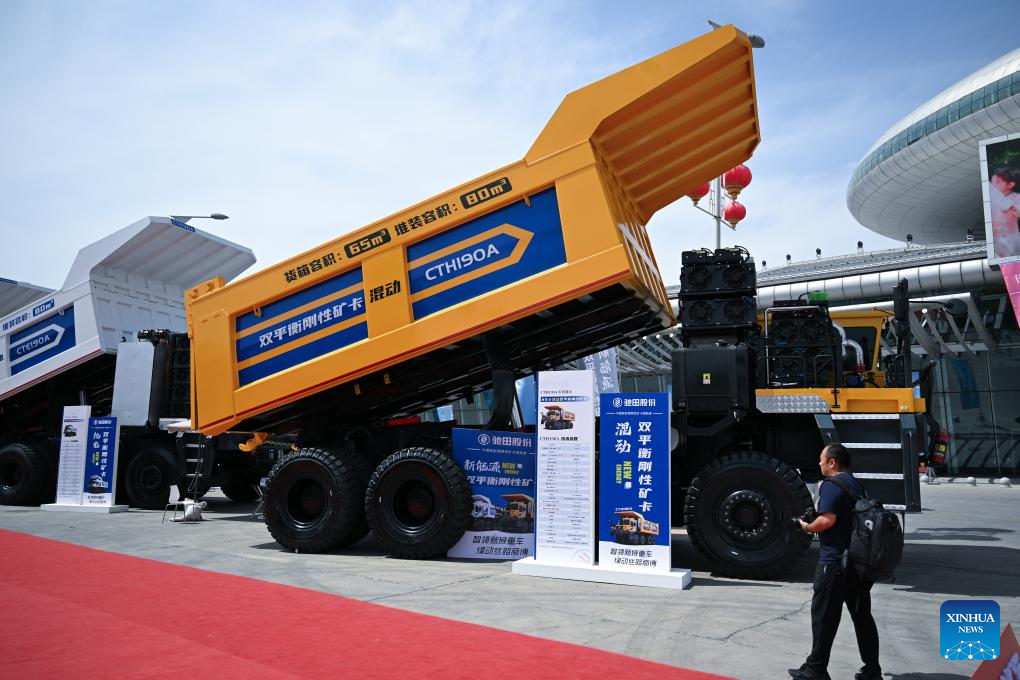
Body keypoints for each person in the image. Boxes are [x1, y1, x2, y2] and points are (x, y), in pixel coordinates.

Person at [788, 443, 881, 680]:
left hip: (835, 563)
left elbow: (827, 520)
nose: (819, 463)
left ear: (832, 462)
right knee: (862, 618)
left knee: (823, 617)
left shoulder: (831, 485)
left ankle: (816, 669)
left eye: (821, 459)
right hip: (858, 564)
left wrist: (807, 526)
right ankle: (872, 670)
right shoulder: (855, 484)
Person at [990, 166, 1020, 259]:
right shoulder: (991, 199)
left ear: (1010, 184)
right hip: (995, 241)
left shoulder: (1017, 197)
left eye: (997, 182)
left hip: (1012, 240)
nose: (993, 185)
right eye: (992, 182)